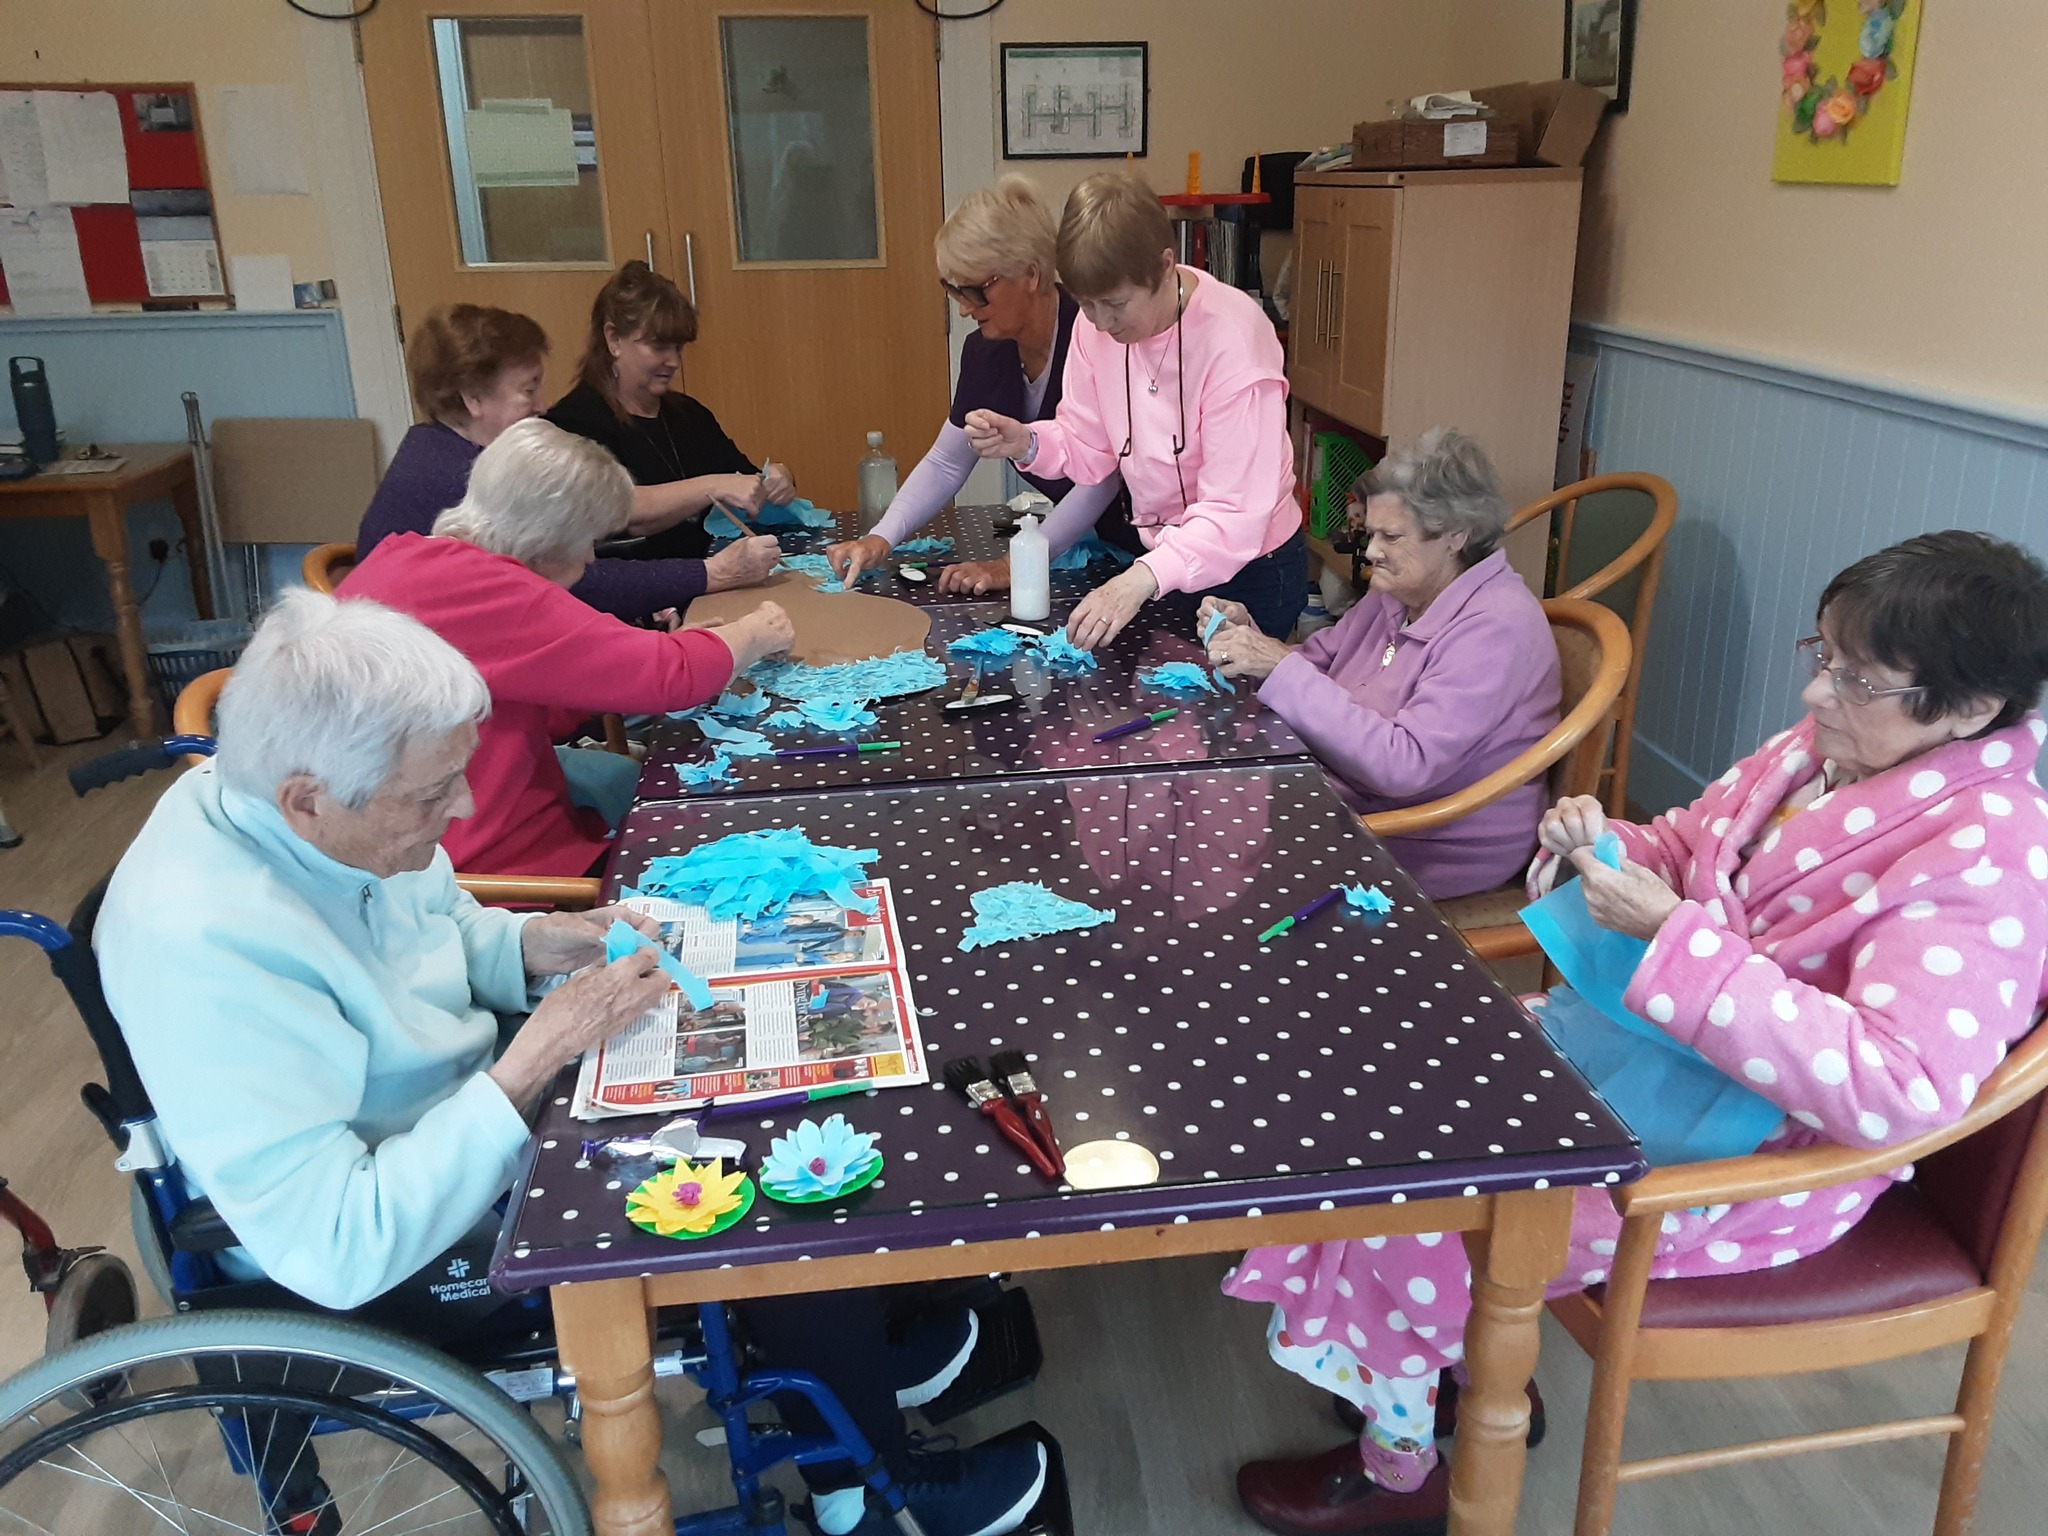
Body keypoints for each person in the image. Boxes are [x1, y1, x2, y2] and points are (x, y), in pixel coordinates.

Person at [95, 591, 1049, 1536]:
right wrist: (535, 1059)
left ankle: (858, 1364)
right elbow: (338, 1247)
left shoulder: (312, 809)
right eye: (433, 796)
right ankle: (863, 1493)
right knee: (760, 1169)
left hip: (478, 1106)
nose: (464, 808)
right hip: (408, 1232)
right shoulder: (203, 944)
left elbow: (441, 927)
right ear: (306, 799)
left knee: (801, 1080)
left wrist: (545, 943)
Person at [1226, 530, 2048, 1536]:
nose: (1813, 698)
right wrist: (1601, 848)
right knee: (1383, 1077)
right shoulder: (1819, 754)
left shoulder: (1990, 851)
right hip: (1660, 1061)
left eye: (1856, 680)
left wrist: (1673, 939)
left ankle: (1402, 1472)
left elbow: (1900, 1087)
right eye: (1819, 658)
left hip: (1769, 1156)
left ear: (1967, 709)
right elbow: (1686, 841)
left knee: (1419, 1196)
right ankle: (1441, 1361)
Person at [341, 419, 795, 877]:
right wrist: (757, 631)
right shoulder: (502, 593)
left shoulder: (406, 554)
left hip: (416, 840)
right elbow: (669, 676)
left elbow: (532, 692)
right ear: (546, 540)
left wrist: (640, 660)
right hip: (491, 865)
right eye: (588, 542)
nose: (591, 559)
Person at [1203, 429, 1559, 900]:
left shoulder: (1497, 628)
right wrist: (1252, 642)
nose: (1371, 552)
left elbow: (1403, 763)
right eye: (1371, 533)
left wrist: (1278, 668)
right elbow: (1314, 665)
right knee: (1201, 811)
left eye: (1391, 536)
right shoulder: (1400, 592)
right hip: (1348, 802)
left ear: (1457, 535)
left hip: (1433, 837)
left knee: (1218, 856)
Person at [964, 171, 1304, 649]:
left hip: (1252, 567)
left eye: (1115, 304)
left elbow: (1235, 510)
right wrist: (1029, 441)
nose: (1101, 323)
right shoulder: (1095, 327)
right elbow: (1090, 447)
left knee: (1231, 715)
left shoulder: (1235, 339)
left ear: (1165, 268)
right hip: (1163, 563)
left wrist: (1141, 577)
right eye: (1086, 305)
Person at [356, 303, 776, 616]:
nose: (543, 405)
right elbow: (573, 584)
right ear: (474, 399)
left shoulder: (433, 447)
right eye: (528, 390)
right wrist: (712, 573)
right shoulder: (467, 481)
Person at [825, 176, 1132, 595]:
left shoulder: (1097, 332)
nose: (966, 307)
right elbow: (946, 462)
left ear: (1030, 274)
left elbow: (1101, 477)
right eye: (956, 291)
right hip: (1099, 547)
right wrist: (882, 537)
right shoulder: (986, 352)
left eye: (976, 291)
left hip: (1157, 543)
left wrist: (1012, 565)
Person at [546, 261, 788, 582]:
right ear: (613, 339)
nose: (674, 361)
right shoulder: (571, 423)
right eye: (658, 346)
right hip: (637, 596)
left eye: (678, 347)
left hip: (709, 583)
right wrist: (713, 486)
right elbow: (624, 513)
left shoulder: (689, 415)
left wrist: (778, 479)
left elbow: (743, 476)